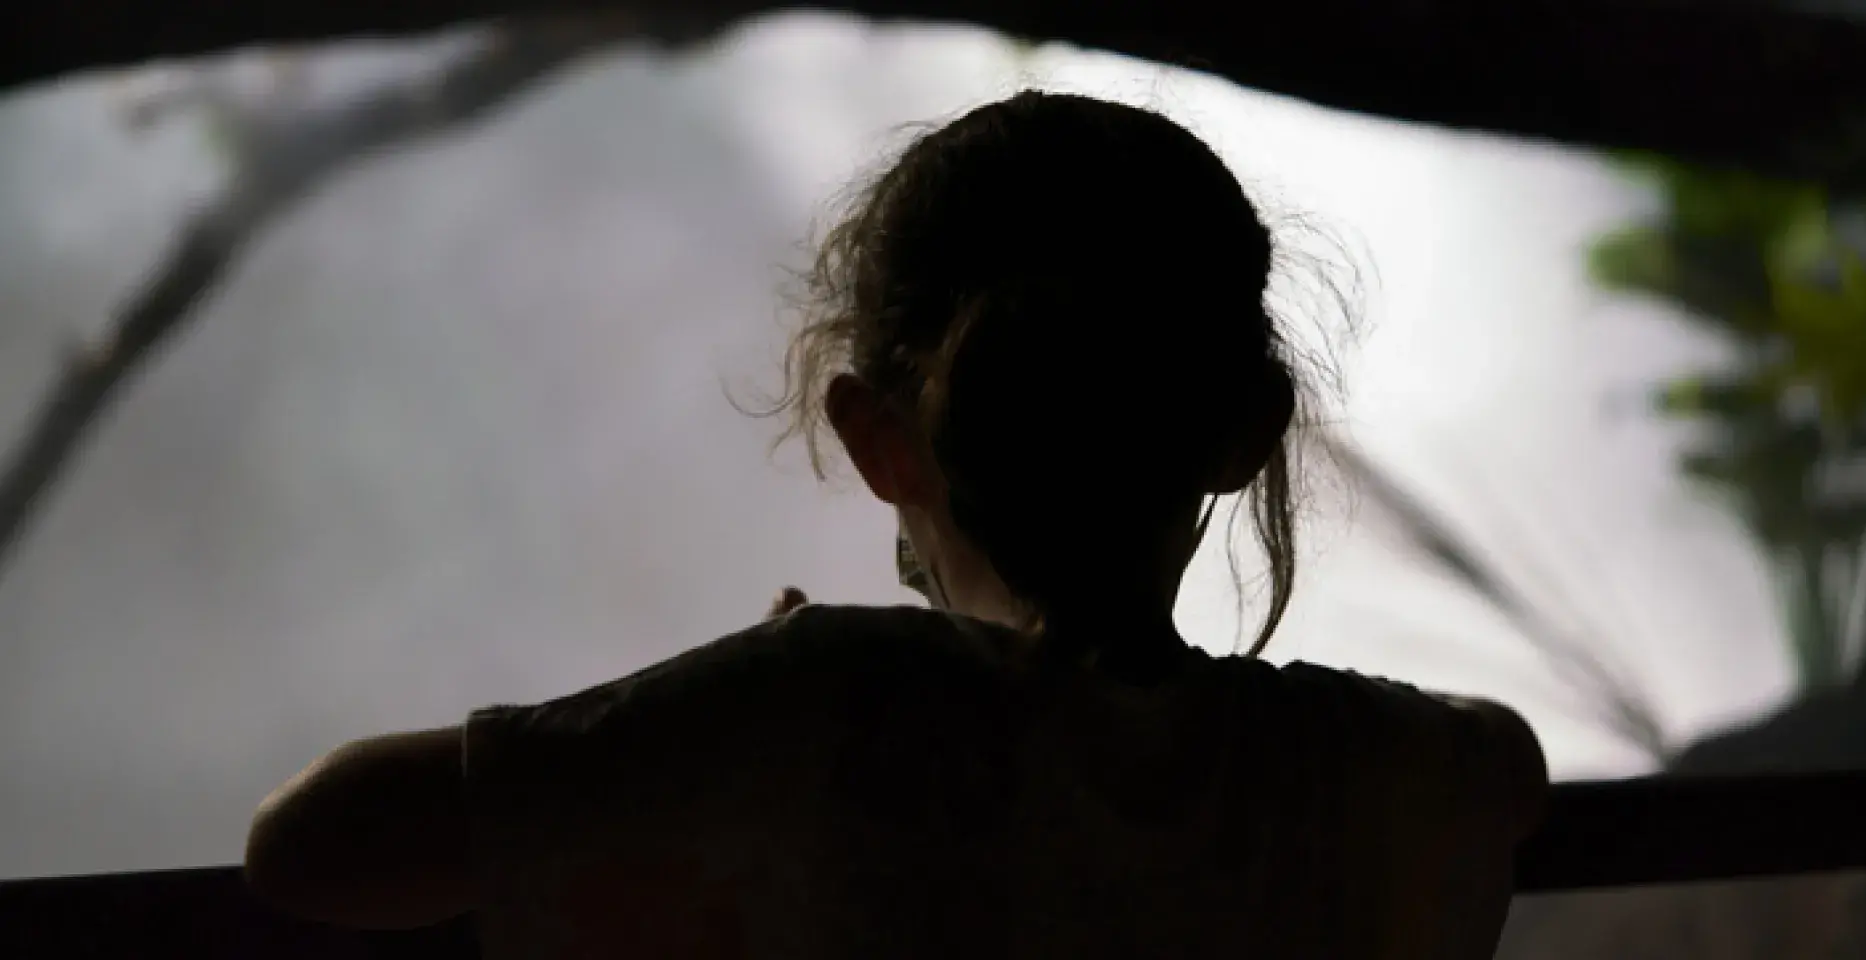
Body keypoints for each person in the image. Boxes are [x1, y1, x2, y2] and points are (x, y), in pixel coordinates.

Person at [244, 91, 1548, 959]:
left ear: (879, 443)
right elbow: (1505, 761)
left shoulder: (825, 710)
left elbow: (309, 844)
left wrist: (727, 702)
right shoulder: (1406, 770)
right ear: (1248, 427)